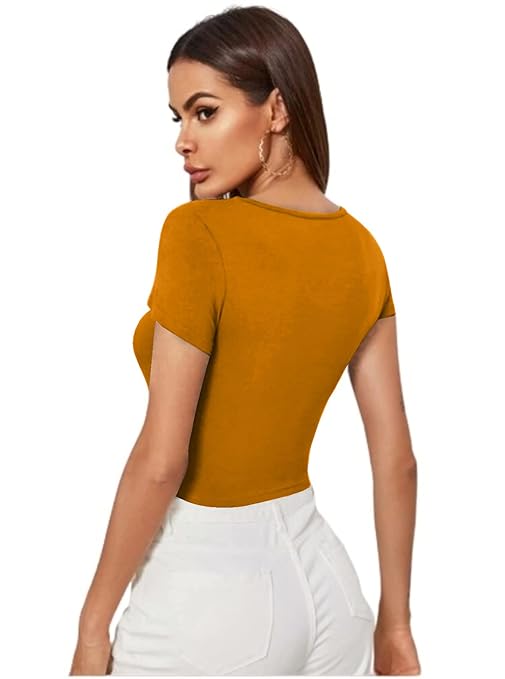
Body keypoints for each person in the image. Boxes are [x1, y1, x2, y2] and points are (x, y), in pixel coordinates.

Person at [69, 5, 420, 676]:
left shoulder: (197, 236)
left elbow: (161, 461)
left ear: (277, 110)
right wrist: (396, 624)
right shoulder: (362, 248)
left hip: (209, 597)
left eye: (205, 112)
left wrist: (92, 626)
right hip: (330, 589)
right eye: (178, 118)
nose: (183, 141)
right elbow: (395, 458)